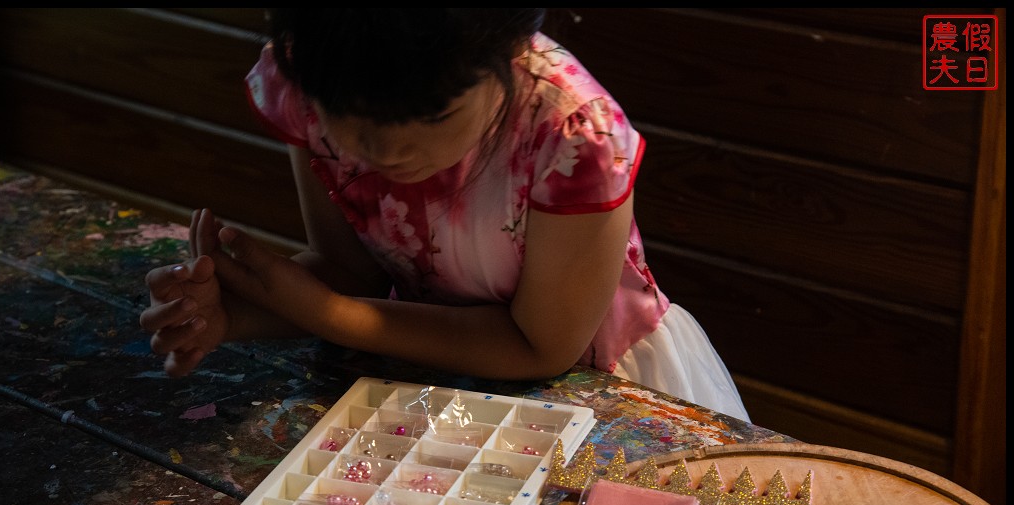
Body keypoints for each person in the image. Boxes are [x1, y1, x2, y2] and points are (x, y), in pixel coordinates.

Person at [139, 8, 750, 420]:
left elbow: (539, 348)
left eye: (431, 120)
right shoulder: (319, 70)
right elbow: (348, 274)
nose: (382, 152)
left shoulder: (573, 134)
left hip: (593, 386)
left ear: (505, 60)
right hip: (420, 367)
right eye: (348, 121)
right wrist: (237, 313)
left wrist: (332, 316)